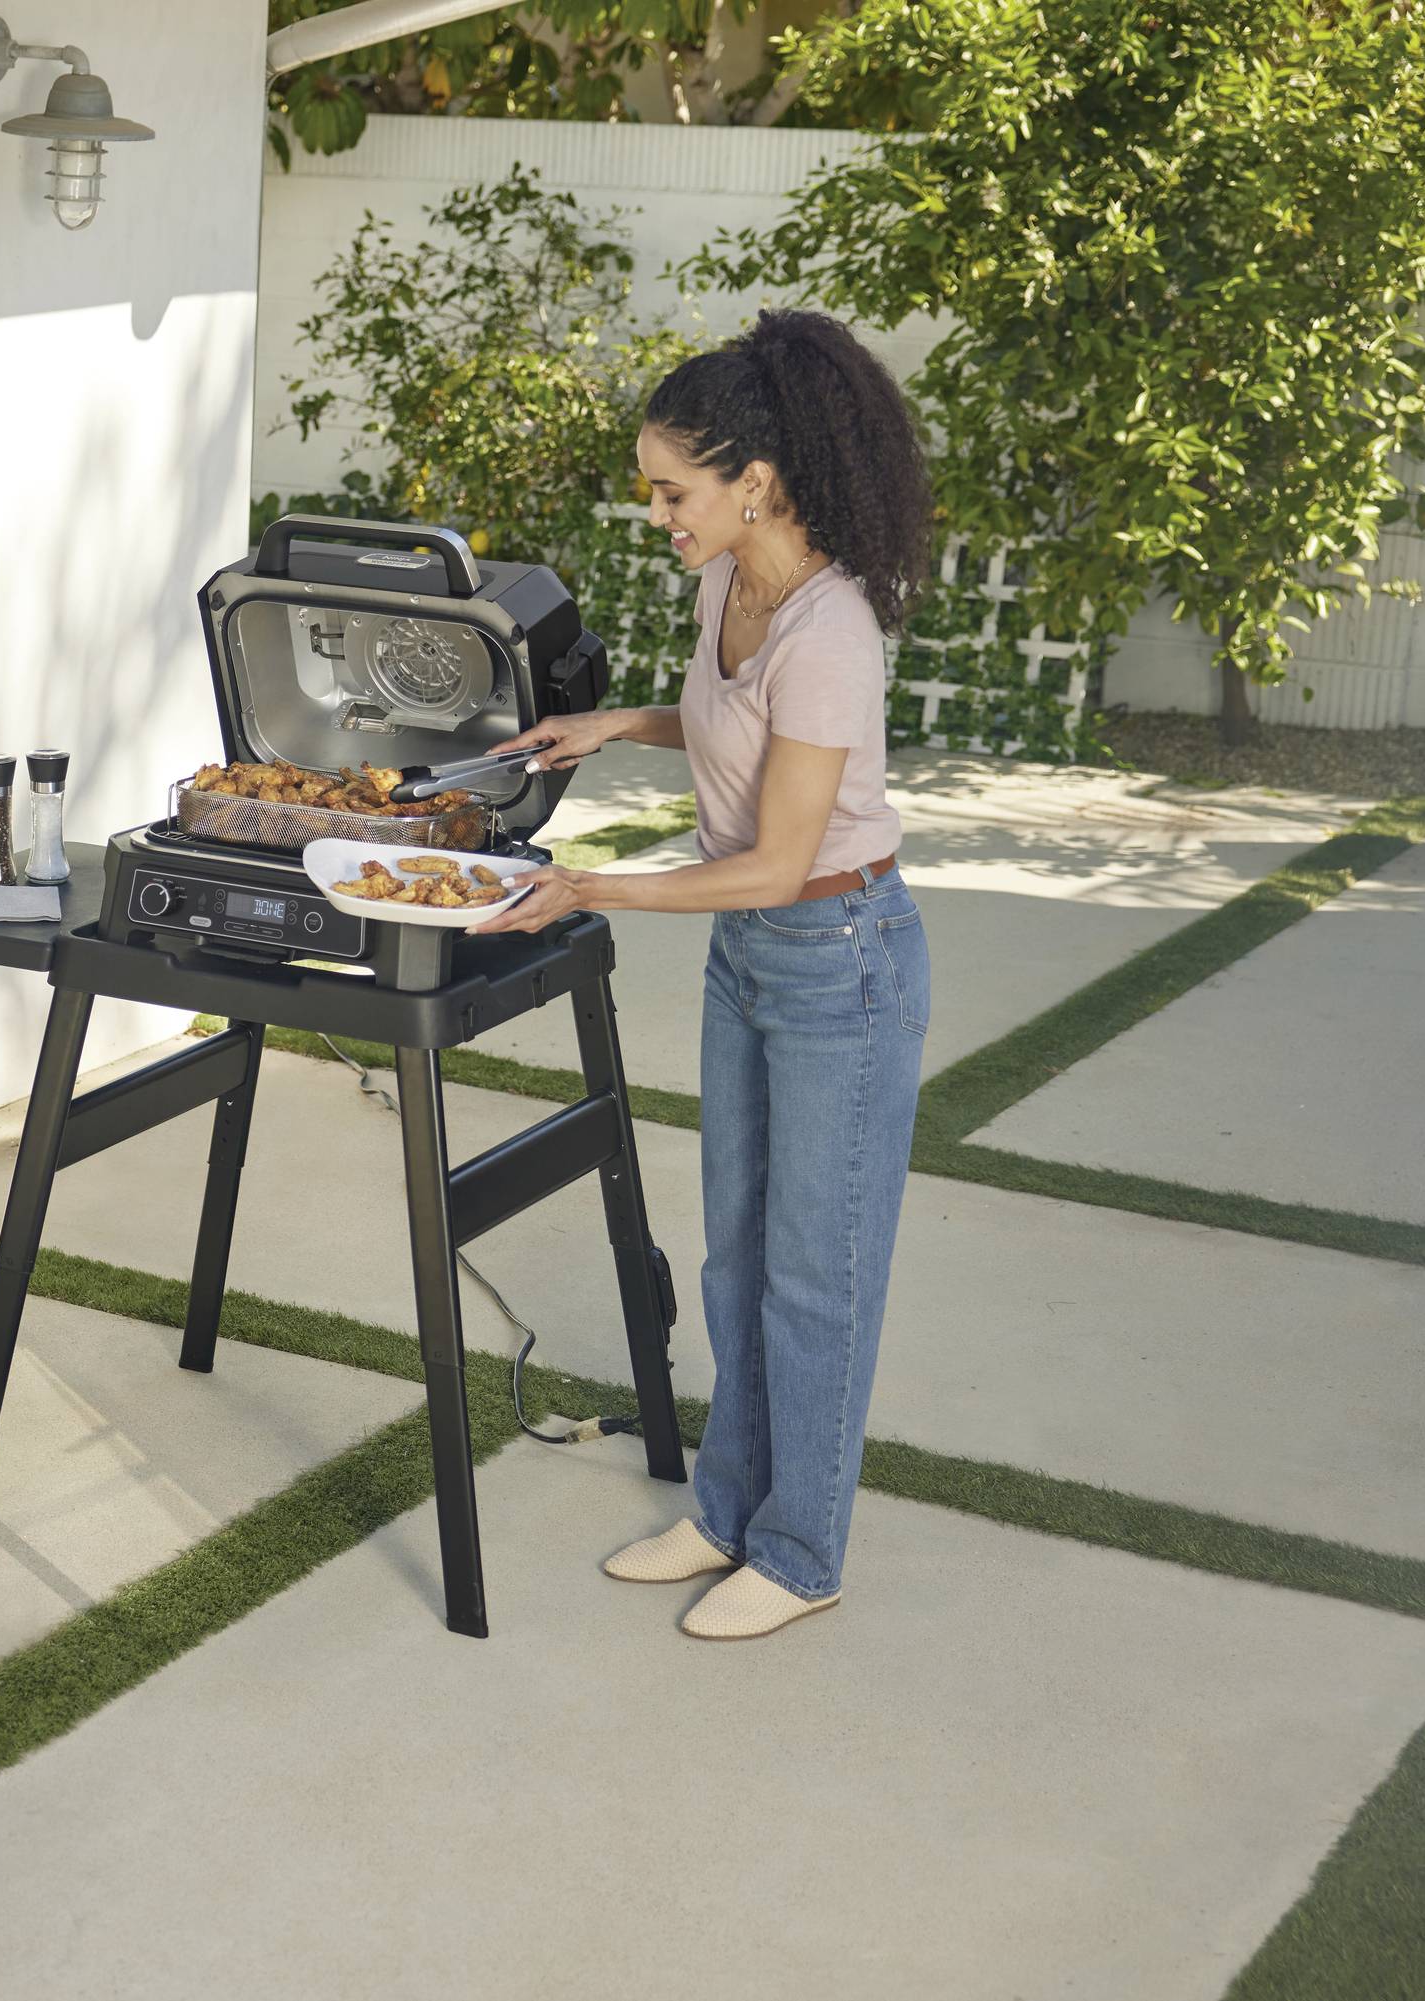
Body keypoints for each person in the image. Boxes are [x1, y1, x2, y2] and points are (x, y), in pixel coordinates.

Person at [470, 308, 934, 1641]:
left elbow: (784, 856)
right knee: (735, 1254)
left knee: (815, 1270)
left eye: (676, 491)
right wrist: (614, 724)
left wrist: (592, 884)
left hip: (839, 956)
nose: (661, 514)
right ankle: (729, 1508)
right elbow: (733, 724)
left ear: (757, 482)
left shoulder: (833, 629)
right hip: (752, 958)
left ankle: (802, 1550)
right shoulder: (726, 586)